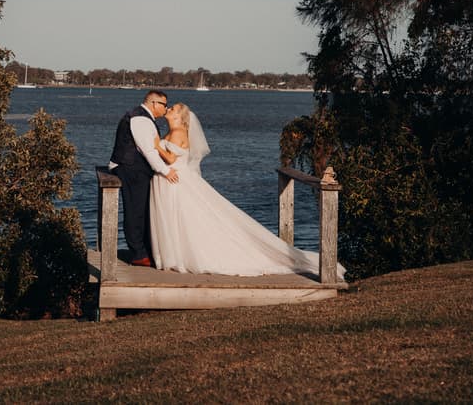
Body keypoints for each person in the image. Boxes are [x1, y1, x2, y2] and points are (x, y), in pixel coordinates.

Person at [149, 103, 345, 278]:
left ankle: (182, 255)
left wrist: (157, 147)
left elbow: (172, 159)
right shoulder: (175, 130)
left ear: (179, 116)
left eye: (172, 108)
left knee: (183, 217)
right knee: (187, 218)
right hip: (178, 179)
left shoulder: (177, 132)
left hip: (178, 180)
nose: (169, 109)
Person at [108, 90, 179, 266]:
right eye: (164, 104)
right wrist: (165, 171)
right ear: (154, 103)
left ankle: (145, 250)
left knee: (143, 210)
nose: (166, 108)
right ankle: (139, 254)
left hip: (135, 168)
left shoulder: (143, 117)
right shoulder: (140, 119)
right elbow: (148, 150)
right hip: (130, 169)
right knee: (135, 211)